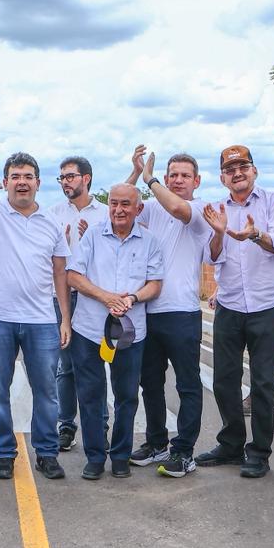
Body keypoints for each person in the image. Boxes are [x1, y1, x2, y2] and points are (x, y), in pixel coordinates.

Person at [0, 153, 70, 480]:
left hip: (41, 319)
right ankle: (3, 454)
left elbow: (60, 272)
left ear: (38, 183)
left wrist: (64, 319)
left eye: (28, 176)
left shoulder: (52, 222)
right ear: (6, 181)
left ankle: (47, 453)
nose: (22, 182)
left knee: (47, 391)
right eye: (15, 176)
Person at [197, 145, 274, 479]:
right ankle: (232, 444)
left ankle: (260, 453)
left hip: (267, 305)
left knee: (264, 384)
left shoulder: (273, 203)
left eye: (243, 166)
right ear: (223, 176)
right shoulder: (216, 209)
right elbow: (212, 258)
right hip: (230, 305)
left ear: (254, 171)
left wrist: (255, 235)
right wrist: (220, 234)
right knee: (224, 380)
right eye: (230, 169)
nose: (237, 173)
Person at [123, 147, 212, 477]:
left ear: (196, 181)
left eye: (183, 175)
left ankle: (185, 451)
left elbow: (176, 207)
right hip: (148, 309)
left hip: (182, 312)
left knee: (188, 384)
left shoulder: (198, 209)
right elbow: (120, 205)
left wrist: (151, 179)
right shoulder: (151, 209)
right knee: (150, 383)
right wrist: (135, 174)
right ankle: (156, 442)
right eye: (172, 174)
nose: (176, 180)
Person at [66, 183, 164, 479]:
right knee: (91, 395)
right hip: (89, 329)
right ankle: (95, 456)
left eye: (125, 204)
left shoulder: (149, 241)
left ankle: (120, 456)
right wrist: (106, 297)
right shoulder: (93, 236)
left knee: (127, 395)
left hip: (130, 332)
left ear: (138, 208)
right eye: (113, 204)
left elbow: (155, 283)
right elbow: (73, 276)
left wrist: (132, 298)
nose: (119, 210)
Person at [50, 156, 104, 453]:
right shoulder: (52, 214)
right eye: (62, 178)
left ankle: (100, 425)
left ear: (86, 178)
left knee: (96, 363)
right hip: (63, 295)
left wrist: (91, 240)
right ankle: (66, 426)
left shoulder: (105, 213)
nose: (66, 182)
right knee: (66, 365)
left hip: (94, 293)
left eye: (70, 176)